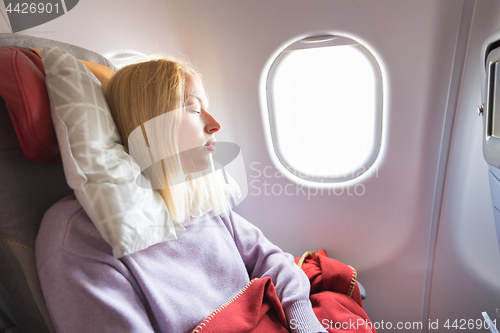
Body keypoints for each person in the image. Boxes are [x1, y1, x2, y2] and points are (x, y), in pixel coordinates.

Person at [36, 57, 327, 333]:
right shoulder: (80, 236)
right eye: (193, 109)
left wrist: (303, 321)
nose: (215, 124)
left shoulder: (197, 197)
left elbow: (270, 257)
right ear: (149, 125)